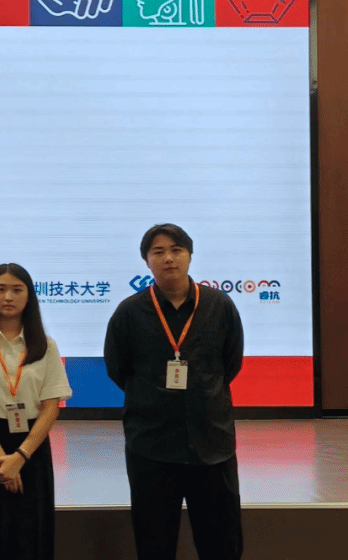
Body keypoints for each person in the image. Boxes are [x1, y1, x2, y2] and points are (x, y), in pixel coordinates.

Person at [104, 224, 245, 560]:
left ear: (190, 255)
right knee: (154, 545)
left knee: (222, 545)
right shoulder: (129, 312)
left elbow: (231, 363)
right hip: (151, 447)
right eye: (158, 252)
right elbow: (117, 368)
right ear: (146, 260)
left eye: (176, 250)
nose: (168, 258)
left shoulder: (219, 305)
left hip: (212, 444)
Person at [0, 264, 72, 560]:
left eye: (17, 290)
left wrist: (19, 457)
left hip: (31, 448)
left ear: (29, 296)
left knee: (29, 536)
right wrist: (1, 462)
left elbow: (51, 408)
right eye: (1, 289)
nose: (8, 296)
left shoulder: (45, 345)